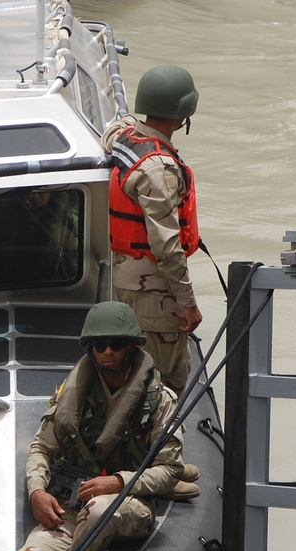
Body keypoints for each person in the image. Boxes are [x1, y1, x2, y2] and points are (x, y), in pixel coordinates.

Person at [4, 302, 199, 551]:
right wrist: (37, 491)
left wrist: (119, 481)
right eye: (99, 344)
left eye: (116, 344)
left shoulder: (160, 400)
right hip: (72, 500)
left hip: (129, 502)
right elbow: (42, 448)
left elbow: (169, 470)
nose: (108, 352)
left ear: (131, 347)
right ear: (90, 347)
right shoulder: (73, 393)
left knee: (99, 510)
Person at [102, 64, 203, 395]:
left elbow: (115, 127)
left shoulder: (123, 138)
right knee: (163, 382)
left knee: (135, 368)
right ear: (182, 115)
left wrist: (133, 120)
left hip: (126, 279)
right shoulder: (159, 169)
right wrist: (187, 302)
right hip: (155, 293)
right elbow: (167, 246)